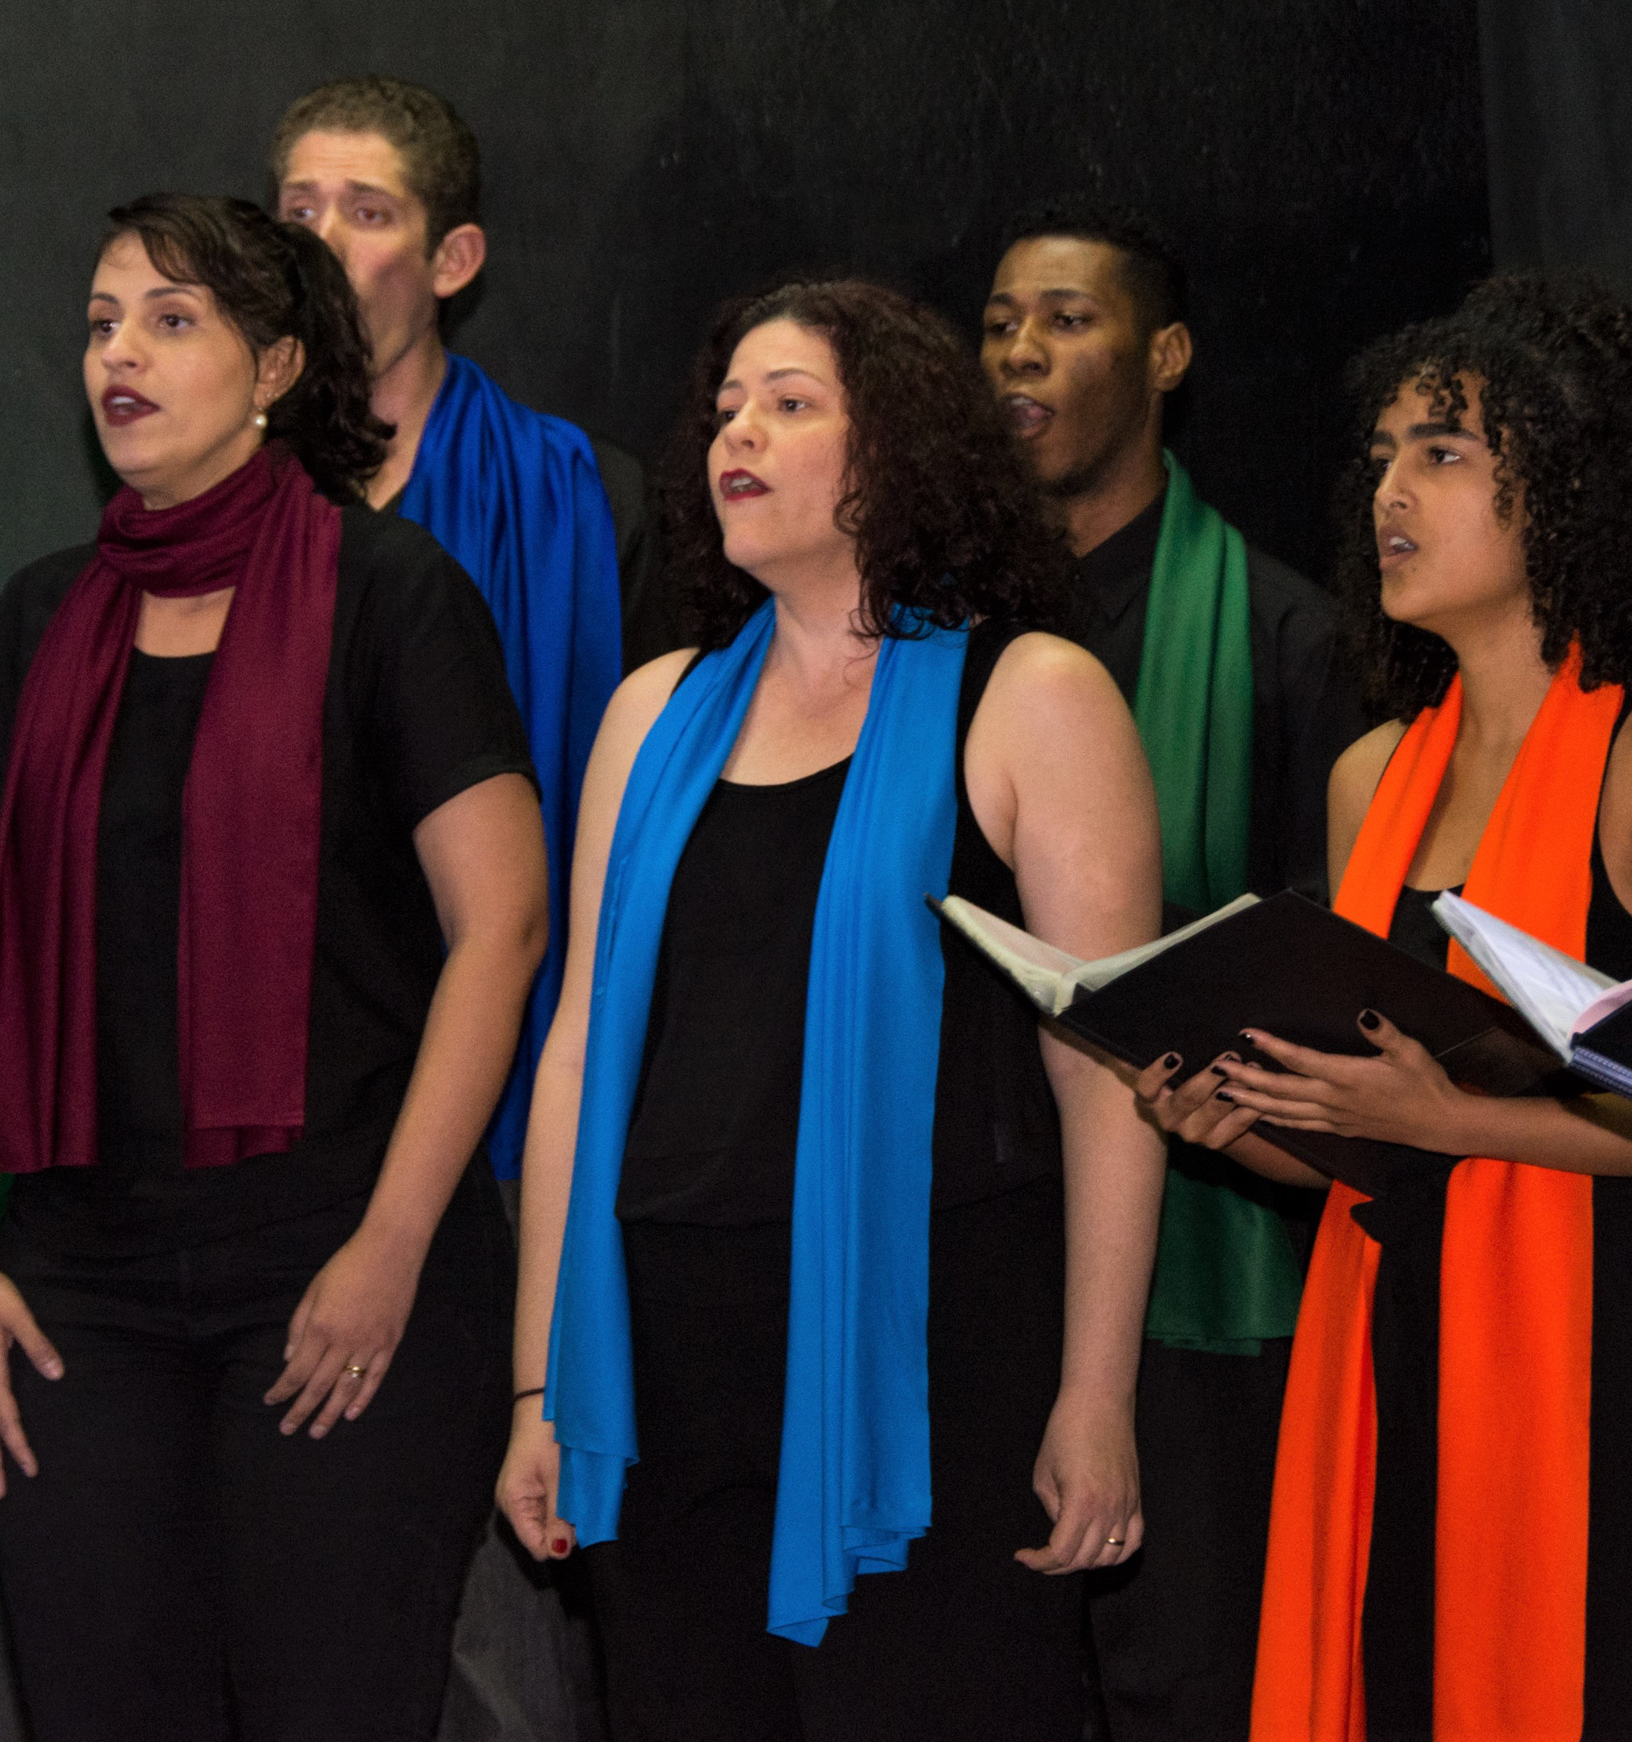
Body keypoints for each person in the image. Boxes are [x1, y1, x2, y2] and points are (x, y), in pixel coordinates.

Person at [493, 276, 1167, 1741]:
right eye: (727, 407)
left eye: (790, 403)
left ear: (900, 448)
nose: (737, 431)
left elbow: (1107, 1071)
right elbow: (579, 1051)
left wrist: (1097, 1392)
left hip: (937, 1345)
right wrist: (542, 1378)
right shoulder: (652, 711)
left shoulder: (1031, 695)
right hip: (662, 1359)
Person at [0, 195, 547, 1741]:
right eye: (100, 324)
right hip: (81, 1284)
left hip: (336, 1260)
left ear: (274, 366)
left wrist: (393, 1243)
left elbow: (504, 929)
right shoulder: (41, 616)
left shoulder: (393, 593)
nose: (118, 354)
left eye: (169, 320)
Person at [1136, 272, 1632, 1740]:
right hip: (1385, 1343)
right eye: (1381, 458)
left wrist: (1452, 1119)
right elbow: (1372, 1137)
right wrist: (1239, 1115)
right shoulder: (1371, 775)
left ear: (1569, 489)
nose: (1390, 494)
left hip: (1603, 1360)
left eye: (1443, 453)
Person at [981, 200, 1368, 1740]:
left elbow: (1332, 956)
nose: (1020, 349)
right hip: (984, 1235)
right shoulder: (934, 644)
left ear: (1168, 355)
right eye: (1000, 321)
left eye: (1067, 318)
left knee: (1192, 1676)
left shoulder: (1287, 638)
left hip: (1215, 1242)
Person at [272, 74, 651, 1189]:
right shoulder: (214, 509)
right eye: (297, 212)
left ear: (453, 261)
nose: (321, 245)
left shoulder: (586, 502)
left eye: (367, 212)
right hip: (273, 1104)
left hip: (510, 1079)